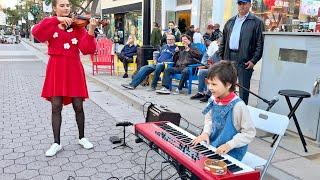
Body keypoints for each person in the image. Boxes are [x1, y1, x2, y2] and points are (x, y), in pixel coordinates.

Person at [32, 0, 98, 156]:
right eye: (62, 5)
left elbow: (86, 49)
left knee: (78, 105)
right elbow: (36, 33)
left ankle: (82, 137)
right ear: (55, 8)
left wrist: (91, 30)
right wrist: (57, 19)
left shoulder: (78, 27)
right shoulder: (51, 24)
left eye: (68, 5)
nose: (66, 8)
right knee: (56, 106)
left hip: (74, 68)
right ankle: (56, 143)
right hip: (56, 68)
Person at [191, 61, 256, 161]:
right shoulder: (212, 99)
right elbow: (209, 120)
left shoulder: (238, 106)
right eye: (208, 83)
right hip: (213, 145)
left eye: (214, 84)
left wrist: (229, 145)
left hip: (231, 151)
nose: (210, 87)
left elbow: (249, 133)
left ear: (228, 85)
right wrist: (206, 133)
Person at [218, 0, 264, 104]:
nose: (242, 6)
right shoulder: (230, 21)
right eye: (240, 3)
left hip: (245, 60)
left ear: (249, 5)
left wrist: (253, 60)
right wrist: (222, 57)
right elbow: (223, 41)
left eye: (244, 3)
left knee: (243, 89)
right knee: (227, 87)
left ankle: (242, 113)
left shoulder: (257, 22)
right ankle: (228, 109)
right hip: (229, 58)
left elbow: (260, 44)